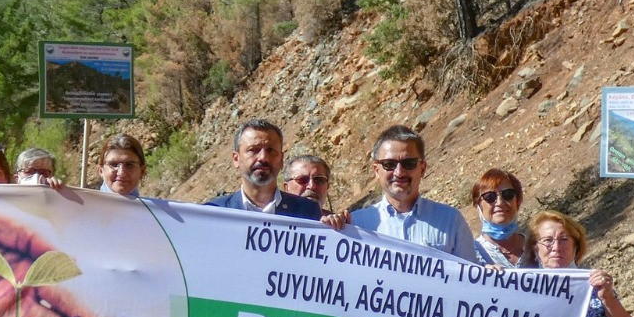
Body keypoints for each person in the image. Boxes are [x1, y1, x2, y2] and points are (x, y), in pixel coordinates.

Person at [343, 125, 477, 261]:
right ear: (377, 171)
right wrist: (327, 229)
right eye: (389, 164)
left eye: (409, 163)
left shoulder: (450, 221)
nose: (399, 172)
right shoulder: (355, 226)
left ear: (423, 168)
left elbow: (470, 277)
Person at [205, 119, 322, 219]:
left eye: (270, 150)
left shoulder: (307, 211)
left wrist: (335, 228)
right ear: (236, 159)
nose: (263, 157)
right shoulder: (214, 213)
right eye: (253, 150)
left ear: (281, 160)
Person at [470, 170, 527, 267]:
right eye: (489, 197)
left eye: (508, 194)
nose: (500, 202)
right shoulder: (471, 255)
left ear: (517, 201)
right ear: (478, 205)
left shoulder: (538, 247)